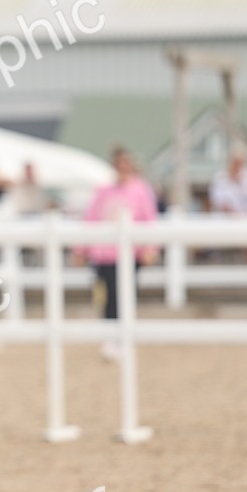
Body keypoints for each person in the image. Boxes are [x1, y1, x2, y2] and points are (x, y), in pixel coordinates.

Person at [78, 147, 159, 360]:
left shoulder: (140, 190)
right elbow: (91, 219)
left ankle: (124, 337)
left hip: (130, 254)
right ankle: (110, 338)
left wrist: (150, 247)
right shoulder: (103, 191)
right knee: (107, 298)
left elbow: (149, 219)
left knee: (125, 295)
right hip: (104, 254)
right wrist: (81, 249)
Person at [209, 151, 247, 265]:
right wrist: (239, 217)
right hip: (229, 222)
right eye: (236, 163)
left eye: (242, 163)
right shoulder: (220, 178)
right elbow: (221, 204)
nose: (239, 166)